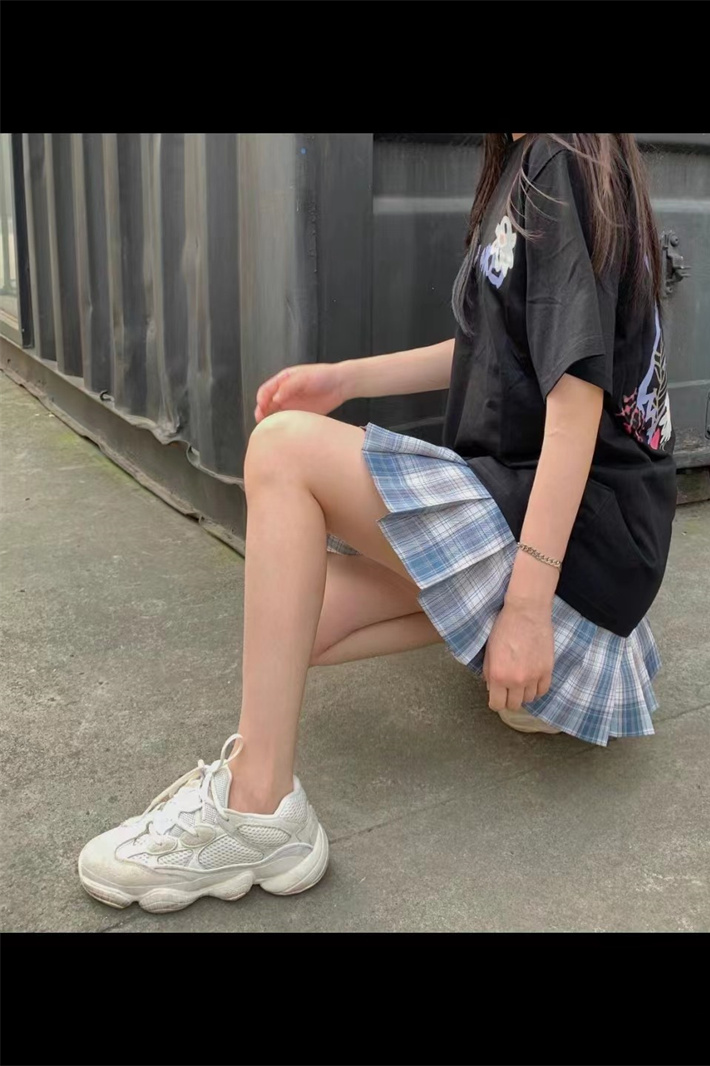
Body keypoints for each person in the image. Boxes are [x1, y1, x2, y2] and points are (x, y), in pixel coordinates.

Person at [78, 133, 676, 913]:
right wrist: (346, 379)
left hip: (580, 543)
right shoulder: (536, 161)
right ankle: (536, 669)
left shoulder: (559, 156)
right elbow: (491, 346)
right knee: (293, 627)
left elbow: (576, 400)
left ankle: (259, 807)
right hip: (556, 524)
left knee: (281, 452)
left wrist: (528, 610)